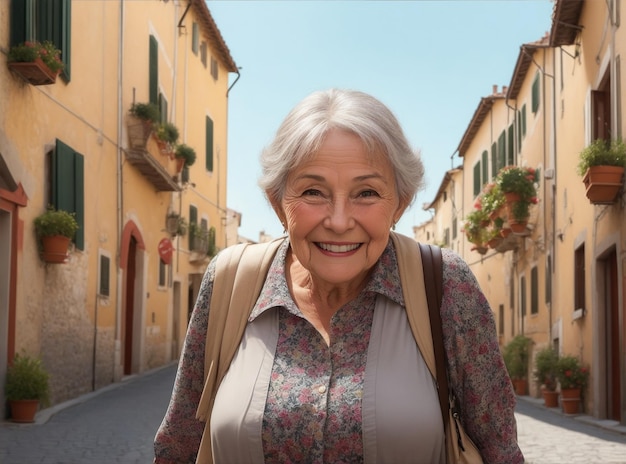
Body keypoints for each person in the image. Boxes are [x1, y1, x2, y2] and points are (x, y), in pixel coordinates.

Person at [154, 88, 523, 463]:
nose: (340, 221)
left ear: (401, 202)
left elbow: (499, 450)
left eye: (367, 193)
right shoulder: (230, 283)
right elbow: (178, 446)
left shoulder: (445, 285)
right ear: (278, 203)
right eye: (313, 191)